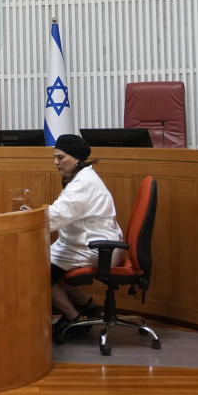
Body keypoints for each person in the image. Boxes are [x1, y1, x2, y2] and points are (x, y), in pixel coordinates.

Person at [46, 133, 124, 338]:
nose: (56, 162)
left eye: (60, 157)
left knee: (37, 270)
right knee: (47, 266)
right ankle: (89, 306)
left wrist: (27, 218)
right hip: (85, 243)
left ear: (77, 158)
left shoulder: (84, 183)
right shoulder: (81, 177)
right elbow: (60, 213)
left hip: (97, 247)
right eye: (55, 157)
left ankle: (73, 318)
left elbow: (55, 217)